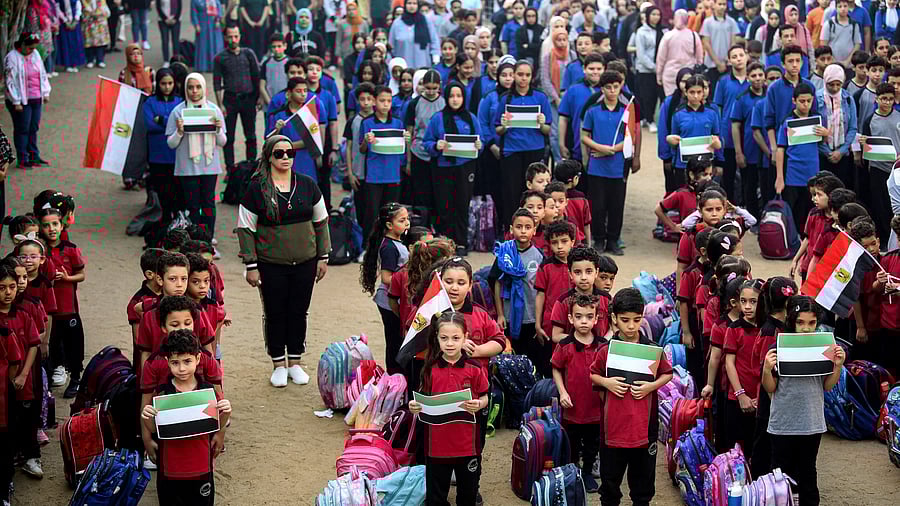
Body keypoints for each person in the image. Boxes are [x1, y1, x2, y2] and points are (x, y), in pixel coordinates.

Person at [237, 135, 329, 386]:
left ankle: (295, 362)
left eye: (290, 153)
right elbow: (246, 228)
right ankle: (278, 362)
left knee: (299, 311)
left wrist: (323, 256)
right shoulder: (257, 189)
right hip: (270, 263)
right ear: (269, 157)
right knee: (275, 312)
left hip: (306, 261)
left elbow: (321, 222)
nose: (286, 157)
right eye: (279, 153)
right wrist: (251, 264)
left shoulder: (308, 184)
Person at [590, 287, 673, 506]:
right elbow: (593, 374)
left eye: (636, 320)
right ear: (614, 318)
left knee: (643, 487)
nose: (631, 326)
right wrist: (607, 382)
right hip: (613, 432)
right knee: (609, 485)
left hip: (644, 432)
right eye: (625, 320)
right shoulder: (607, 350)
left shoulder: (652, 349)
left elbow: (667, 373)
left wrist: (650, 387)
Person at [762, 296, 845, 506]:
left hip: (811, 423)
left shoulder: (823, 347)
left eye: (811, 323)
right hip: (783, 424)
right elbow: (770, 388)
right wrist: (766, 369)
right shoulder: (778, 347)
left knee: (808, 472)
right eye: (800, 322)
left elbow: (826, 386)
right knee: (780, 476)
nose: (806, 328)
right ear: (791, 321)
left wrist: (838, 366)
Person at [141, 330, 232, 505]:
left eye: (187, 361)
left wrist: (226, 411)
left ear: (198, 359)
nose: (181, 368)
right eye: (175, 363)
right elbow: (156, 430)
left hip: (201, 469)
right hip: (170, 470)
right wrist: (146, 419)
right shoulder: (162, 394)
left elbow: (216, 425)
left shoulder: (208, 392)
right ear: (167, 362)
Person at [407, 312, 488, 506]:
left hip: (467, 446)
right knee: (436, 497)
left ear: (465, 338)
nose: (450, 343)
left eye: (455, 338)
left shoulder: (475, 368)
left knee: (467, 497)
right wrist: (414, 406)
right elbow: (421, 399)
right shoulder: (429, 368)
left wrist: (480, 403)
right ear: (437, 338)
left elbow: (486, 396)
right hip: (436, 447)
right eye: (444, 338)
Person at [422, 81, 483, 254]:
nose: (455, 100)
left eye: (459, 96)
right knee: (445, 206)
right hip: (443, 167)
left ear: (464, 98)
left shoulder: (471, 118)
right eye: (451, 96)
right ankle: (445, 243)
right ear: (446, 97)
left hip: (465, 167)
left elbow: (481, 141)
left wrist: (480, 145)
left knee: (462, 205)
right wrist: (436, 145)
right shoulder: (437, 118)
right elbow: (426, 142)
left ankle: (461, 242)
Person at [550, 293, 602, 493]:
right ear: (570, 318)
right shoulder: (565, 345)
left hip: (595, 407)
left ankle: (587, 472)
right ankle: (573, 472)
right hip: (572, 407)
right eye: (579, 316)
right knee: (571, 443)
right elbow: (556, 368)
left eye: (589, 317)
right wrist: (562, 392)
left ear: (596, 319)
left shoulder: (603, 346)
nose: (584, 321)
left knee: (592, 444)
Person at [167, 73, 227, 242]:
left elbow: (223, 141)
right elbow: (171, 143)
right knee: (193, 205)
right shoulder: (178, 111)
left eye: (198, 87)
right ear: (185, 89)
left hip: (209, 166)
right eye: (190, 87)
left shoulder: (214, 110)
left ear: (204, 88)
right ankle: (194, 238)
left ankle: (209, 236)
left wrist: (218, 129)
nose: (194, 91)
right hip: (187, 167)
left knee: (208, 204)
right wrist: (179, 132)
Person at [493, 60, 551, 228]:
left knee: (536, 193)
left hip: (535, 150)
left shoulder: (540, 97)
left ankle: (537, 229)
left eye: (527, 75)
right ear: (514, 75)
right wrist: (504, 125)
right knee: (511, 193)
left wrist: (542, 123)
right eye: (520, 74)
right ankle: (510, 229)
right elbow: (498, 129)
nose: (523, 78)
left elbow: (547, 130)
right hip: (512, 151)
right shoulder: (505, 98)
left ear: (532, 77)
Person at [582, 70, 633, 257]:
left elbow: (630, 138)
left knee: (616, 205)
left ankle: (613, 240)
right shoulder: (593, 111)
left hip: (618, 167)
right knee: (598, 205)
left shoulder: (626, 112)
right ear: (602, 89)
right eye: (608, 87)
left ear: (620, 87)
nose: (612, 91)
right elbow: (584, 136)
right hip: (597, 166)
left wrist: (615, 149)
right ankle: (599, 240)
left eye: (615, 87)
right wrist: (600, 148)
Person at [39, 206, 86, 399]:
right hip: (46, 310)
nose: (51, 229)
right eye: (46, 225)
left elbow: (81, 275)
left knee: (73, 343)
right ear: (40, 228)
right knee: (50, 344)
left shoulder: (71, 249)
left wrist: (67, 278)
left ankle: (75, 378)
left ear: (62, 225)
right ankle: (47, 379)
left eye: (55, 224)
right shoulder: (39, 251)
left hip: (68, 308)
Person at [360, 203, 409, 374]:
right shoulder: (389, 247)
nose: (407, 223)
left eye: (407, 219)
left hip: (395, 298)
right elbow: (387, 277)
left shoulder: (396, 241)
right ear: (389, 225)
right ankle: (395, 376)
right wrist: (409, 281)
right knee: (395, 340)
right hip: (389, 300)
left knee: (398, 338)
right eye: (402, 220)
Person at [214, 24, 260, 171]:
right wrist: (220, 104)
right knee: (229, 137)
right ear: (225, 38)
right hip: (230, 100)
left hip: (248, 98)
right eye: (230, 36)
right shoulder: (220, 58)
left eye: (236, 36)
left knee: (251, 135)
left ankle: (252, 166)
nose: (233, 39)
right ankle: (230, 169)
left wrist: (258, 98)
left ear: (240, 36)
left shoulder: (249, 54)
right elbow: (216, 82)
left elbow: (256, 76)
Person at [4, 32, 51, 169]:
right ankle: (23, 158)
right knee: (22, 128)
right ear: (23, 45)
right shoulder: (12, 57)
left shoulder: (35, 54)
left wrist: (45, 91)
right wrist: (16, 100)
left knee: (33, 127)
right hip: (20, 100)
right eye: (30, 48)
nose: (32, 50)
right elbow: (10, 81)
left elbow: (41, 73)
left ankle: (34, 156)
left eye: (34, 48)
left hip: (35, 96)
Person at [860, 82, 900, 244]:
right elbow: (865, 145)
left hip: (897, 169)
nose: (887, 102)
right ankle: (884, 238)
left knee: (896, 205)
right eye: (883, 99)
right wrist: (864, 144)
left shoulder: (898, 117)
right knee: (881, 205)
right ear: (876, 99)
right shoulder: (870, 120)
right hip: (877, 168)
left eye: (890, 99)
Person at [267, 77, 327, 180]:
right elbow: (269, 142)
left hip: (306, 163)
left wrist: (285, 146)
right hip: (284, 163)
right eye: (298, 91)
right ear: (289, 93)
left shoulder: (309, 114)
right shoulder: (277, 115)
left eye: (305, 91)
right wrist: (277, 130)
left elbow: (313, 140)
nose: (303, 94)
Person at [145, 69, 184, 224]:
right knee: (162, 189)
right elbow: (149, 125)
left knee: (178, 188)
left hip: (177, 154)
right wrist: (172, 123)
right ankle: (165, 218)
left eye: (170, 83)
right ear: (157, 84)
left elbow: (184, 123)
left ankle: (178, 218)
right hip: (157, 154)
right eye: (163, 83)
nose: (167, 87)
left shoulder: (180, 101)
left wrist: (161, 120)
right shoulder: (150, 102)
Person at [816, 64, 857, 191]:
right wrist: (828, 152)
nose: (835, 88)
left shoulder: (848, 99)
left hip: (842, 155)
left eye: (838, 84)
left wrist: (841, 151)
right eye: (831, 84)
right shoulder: (817, 99)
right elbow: (814, 128)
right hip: (823, 155)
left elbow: (852, 128)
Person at [541, 27, 575, 163]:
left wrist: (566, 98)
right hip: (553, 100)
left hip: (569, 99)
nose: (562, 43)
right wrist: (556, 98)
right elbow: (545, 79)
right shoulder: (548, 57)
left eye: (564, 40)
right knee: (554, 133)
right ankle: (558, 160)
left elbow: (575, 76)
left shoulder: (572, 55)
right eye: (558, 40)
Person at [630, 6, 665, 132]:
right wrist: (654, 67)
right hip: (645, 70)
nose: (656, 17)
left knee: (659, 95)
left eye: (658, 14)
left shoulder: (663, 31)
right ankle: (649, 120)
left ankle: (657, 119)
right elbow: (641, 53)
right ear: (648, 16)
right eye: (653, 14)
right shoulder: (641, 32)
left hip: (660, 70)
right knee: (647, 96)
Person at [656, 9, 705, 96]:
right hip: (688, 74)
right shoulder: (693, 35)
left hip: (670, 75)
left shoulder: (668, 36)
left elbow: (661, 58)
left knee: (671, 101)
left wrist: (659, 75)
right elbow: (700, 58)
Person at [0, 316, 22, 506]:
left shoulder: (5, 334)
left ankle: (4, 488)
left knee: (4, 445)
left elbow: (15, 360)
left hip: (3, 401)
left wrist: (7, 382)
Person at [700, 0, 740, 93]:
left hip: (728, 64)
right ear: (714, 5)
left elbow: (733, 42)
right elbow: (706, 43)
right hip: (712, 64)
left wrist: (727, 59)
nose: (722, 7)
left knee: (727, 91)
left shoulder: (731, 22)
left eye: (724, 4)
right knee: (712, 92)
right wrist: (718, 63)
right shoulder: (707, 22)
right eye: (719, 4)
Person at [389, 0, 439, 68]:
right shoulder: (397, 23)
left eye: (414, 3)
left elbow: (434, 40)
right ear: (405, 5)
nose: (412, 6)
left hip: (422, 62)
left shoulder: (426, 21)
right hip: (403, 64)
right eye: (409, 3)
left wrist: (435, 56)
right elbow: (391, 45)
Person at [821, 0, 862, 66]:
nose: (843, 9)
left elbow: (857, 44)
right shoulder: (829, 24)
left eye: (845, 6)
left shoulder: (854, 24)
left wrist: (848, 61)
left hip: (849, 65)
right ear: (836, 8)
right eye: (840, 6)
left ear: (848, 7)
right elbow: (824, 44)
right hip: (832, 64)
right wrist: (833, 60)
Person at [191, 0, 225, 72]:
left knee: (214, 45)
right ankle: (202, 67)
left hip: (213, 25)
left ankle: (213, 66)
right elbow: (193, 12)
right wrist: (196, 24)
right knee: (202, 46)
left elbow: (219, 8)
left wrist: (218, 20)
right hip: (202, 25)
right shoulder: (195, 1)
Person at [57, 0, 86, 72]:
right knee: (65, 43)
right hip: (64, 22)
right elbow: (57, 8)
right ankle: (67, 64)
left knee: (75, 43)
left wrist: (76, 19)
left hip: (75, 22)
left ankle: (75, 63)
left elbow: (78, 6)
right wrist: (65, 20)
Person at [81, 0, 110, 68]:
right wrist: (92, 14)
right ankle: (90, 60)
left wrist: (103, 13)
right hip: (89, 24)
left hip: (100, 24)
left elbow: (107, 11)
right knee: (89, 43)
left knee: (100, 43)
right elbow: (84, 10)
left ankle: (100, 60)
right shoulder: (85, 1)